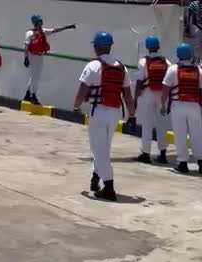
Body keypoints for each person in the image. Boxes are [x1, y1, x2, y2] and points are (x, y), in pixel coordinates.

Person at [73, 32, 135, 201]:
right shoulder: (122, 67)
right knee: (104, 148)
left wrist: (76, 106)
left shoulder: (92, 66)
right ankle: (95, 178)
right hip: (114, 112)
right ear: (110, 46)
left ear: (96, 47)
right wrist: (133, 115)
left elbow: (82, 91)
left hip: (98, 111)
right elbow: (128, 96)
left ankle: (109, 187)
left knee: (98, 149)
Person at [161, 43, 202, 174]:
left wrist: (163, 104)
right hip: (194, 105)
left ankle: (183, 163)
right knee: (197, 134)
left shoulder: (173, 69)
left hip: (178, 105)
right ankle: (201, 162)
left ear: (178, 54)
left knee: (180, 134)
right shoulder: (198, 70)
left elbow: (165, 89)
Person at [23, 15, 76, 105]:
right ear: (37, 22)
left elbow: (55, 30)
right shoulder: (30, 33)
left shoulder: (43, 31)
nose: (42, 22)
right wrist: (26, 58)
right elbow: (26, 46)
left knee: (34, 77)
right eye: (40, 20)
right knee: (36, 77)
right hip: (32, 56)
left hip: (40, 56)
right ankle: (33, 96)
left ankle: (28, 95)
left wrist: (67, 27)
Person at [134, 35, 169, 164]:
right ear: (158, 46)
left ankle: (146, 153)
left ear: (148, 47)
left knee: (147, 124)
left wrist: (135, 98)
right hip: (161, 94)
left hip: (147, 93)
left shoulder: (143, 62)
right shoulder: (166, 62)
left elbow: (139, 82)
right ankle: (163, 153)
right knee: (161, 124)